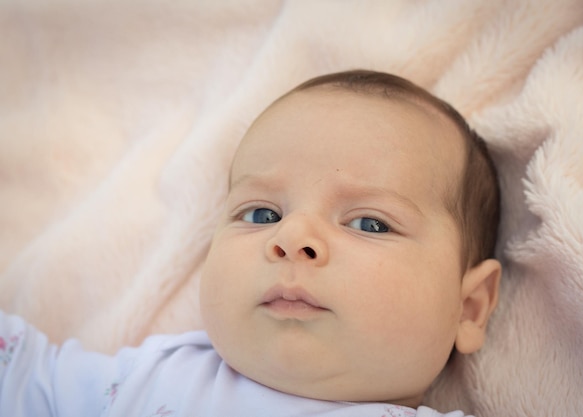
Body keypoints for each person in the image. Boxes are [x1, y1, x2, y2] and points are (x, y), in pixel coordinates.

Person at [0, 70, 501, 417]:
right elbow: (22, 375)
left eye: (368, 223)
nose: (292, 238)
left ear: (469, 307)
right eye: (263, 214)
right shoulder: (146, 377)